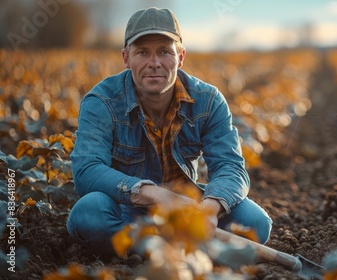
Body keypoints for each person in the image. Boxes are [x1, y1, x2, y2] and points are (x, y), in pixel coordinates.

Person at [66, 7, 272, 258]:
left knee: (255, 222)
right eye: (143, 52)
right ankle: (179, 250)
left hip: (188, 209)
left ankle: (152, 249)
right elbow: (86, 170)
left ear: (181, 56)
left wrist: (209, 209)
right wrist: (156, 195)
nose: (154, 63)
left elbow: (231, 167)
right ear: (126, 58)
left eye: (164, 51)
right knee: (89, 213)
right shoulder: (102, 101)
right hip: (127, 209)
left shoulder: (208, 101)